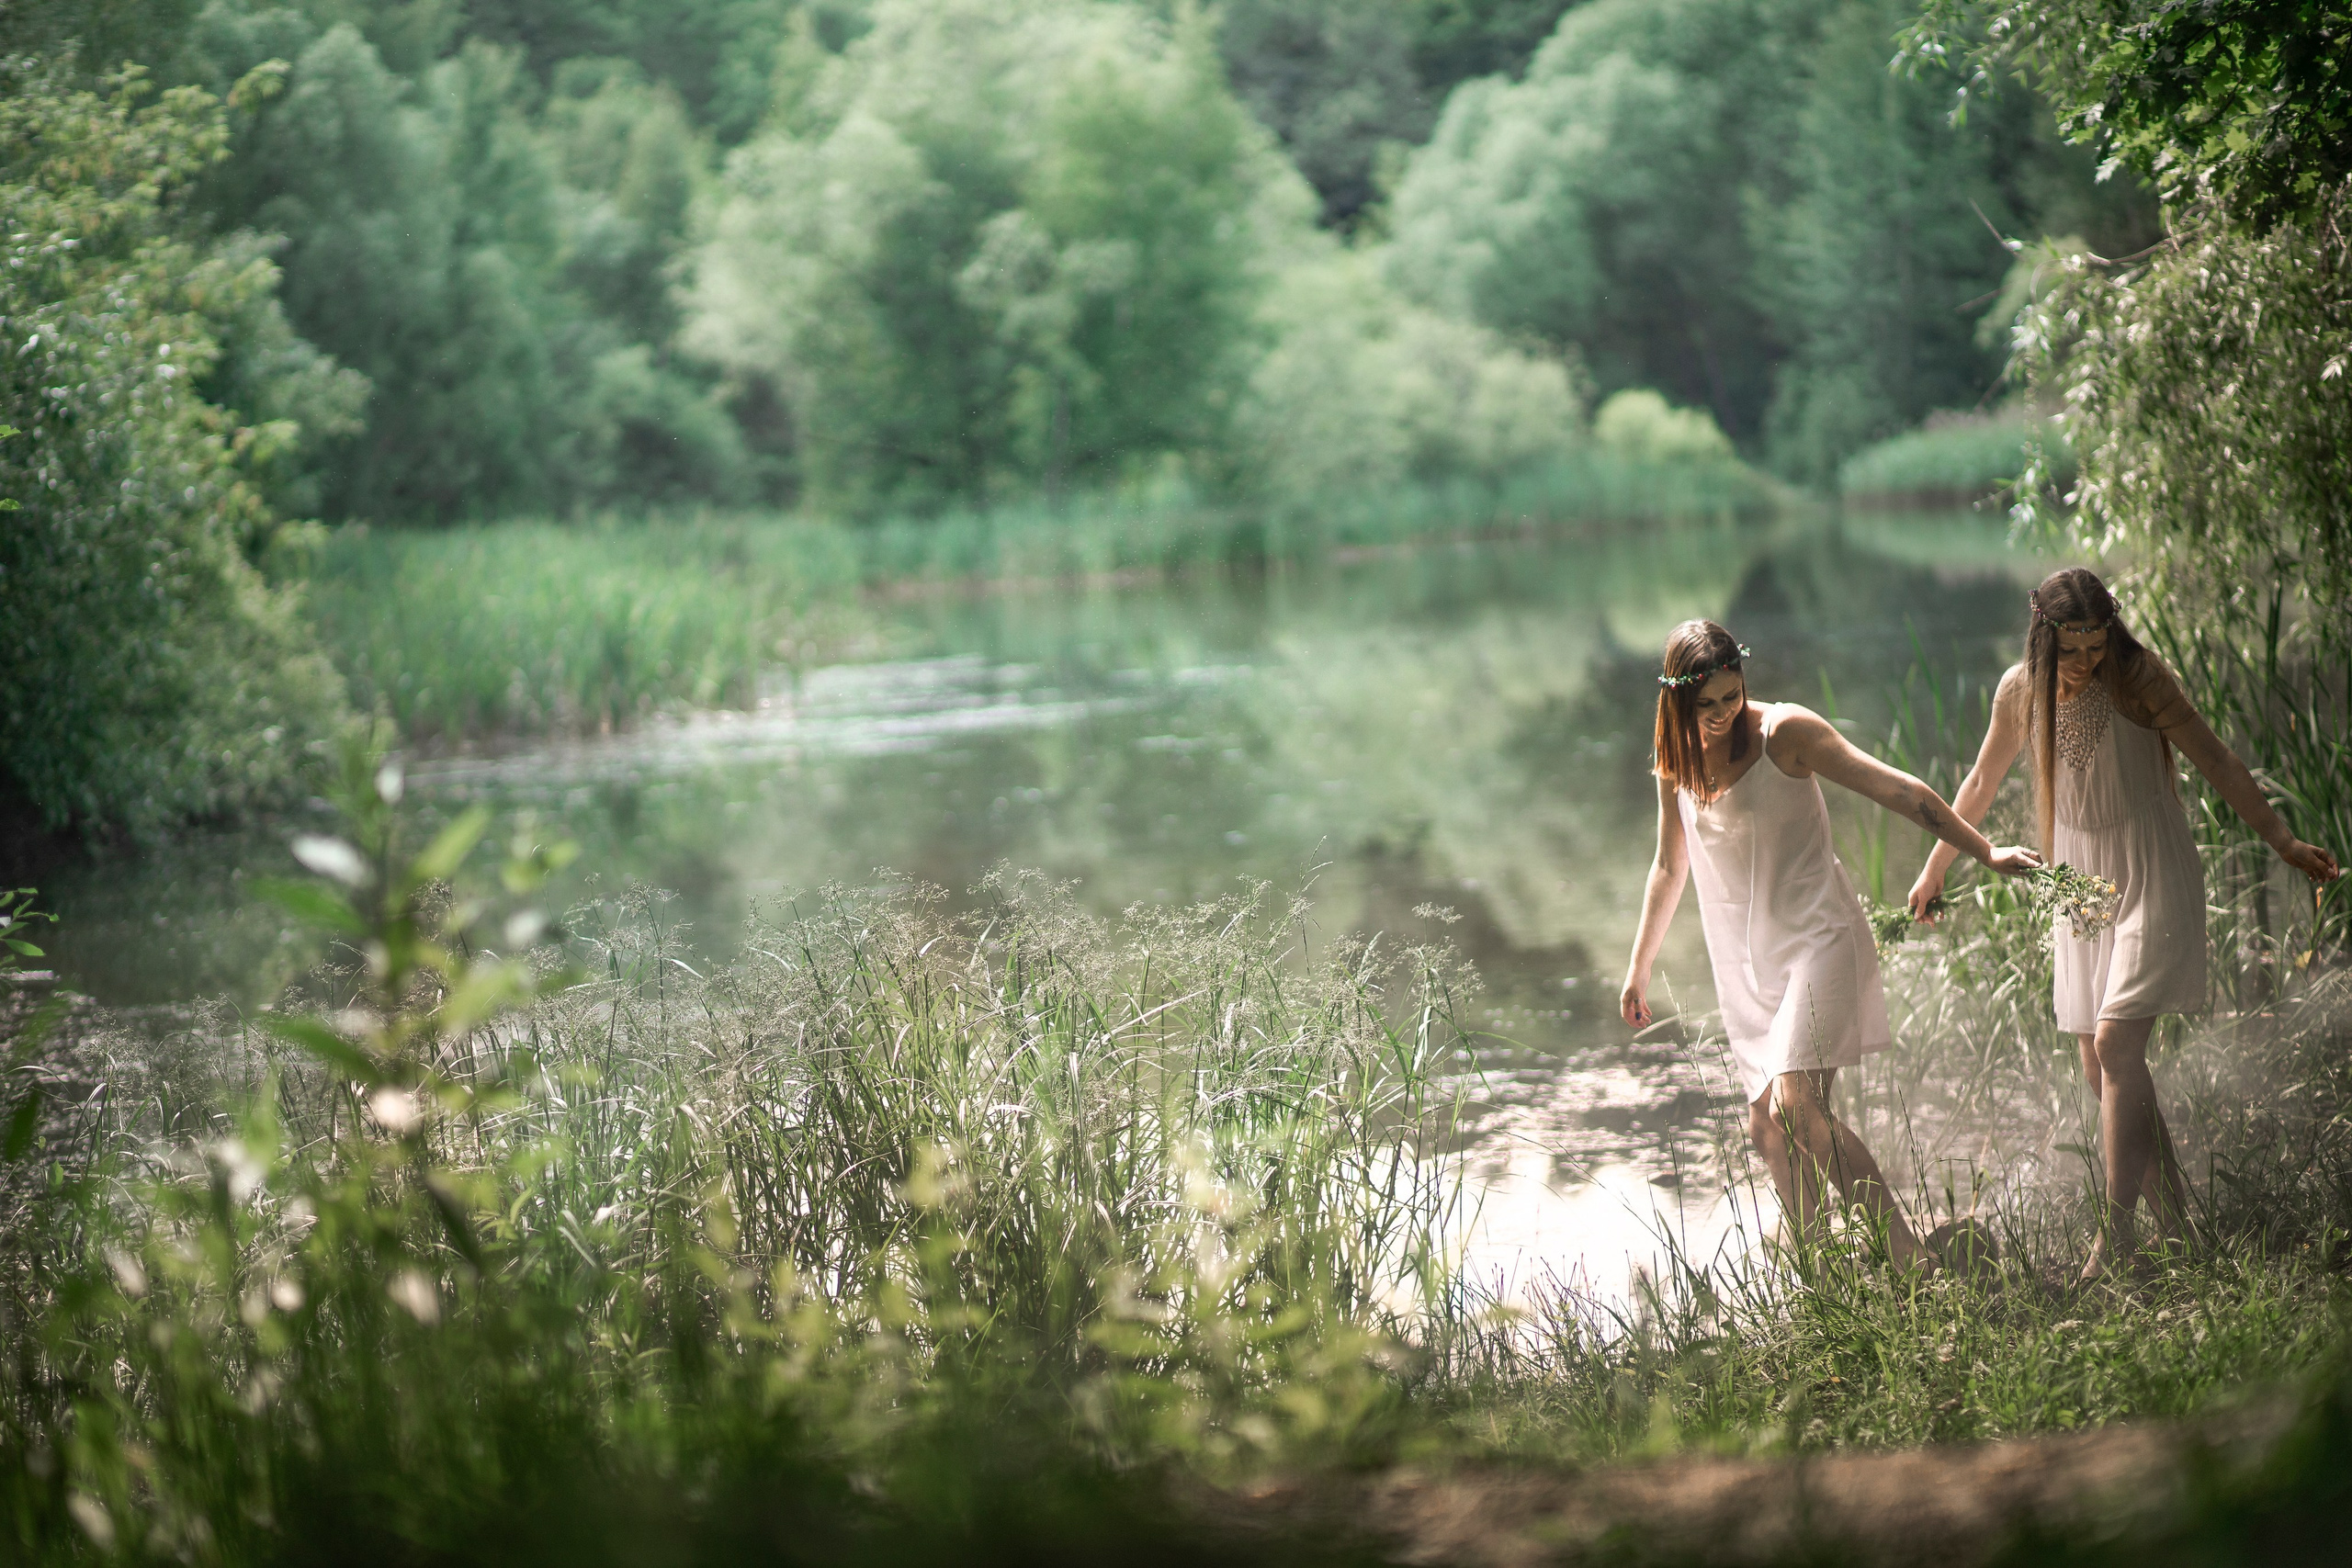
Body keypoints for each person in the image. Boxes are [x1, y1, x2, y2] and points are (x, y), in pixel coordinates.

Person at [1907, 568, 2340, 1279]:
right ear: (2044, 639)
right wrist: (1934, 871)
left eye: (2095, 646)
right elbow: (1979, 783)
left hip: (2150, 863)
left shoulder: (2138, 675)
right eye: (2071, 650)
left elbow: (2217, 758)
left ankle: (2116, 1239)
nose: (2085, 663)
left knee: (2113, 1043)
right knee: (2101, 1064)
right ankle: (2178, 1226)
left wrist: (2282, 840)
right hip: (2079, 880)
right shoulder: (2021, 690)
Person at [1621, 620, 2041, 1271]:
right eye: (1705, 704)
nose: (1721, 713)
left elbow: (1897, 788)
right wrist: (1639, 968)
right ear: (1676, 700)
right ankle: (1821, 1284)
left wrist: (1982, 851)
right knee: (1767, 1130)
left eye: (1732, 696)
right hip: (1749, 965)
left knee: (1802, 1110)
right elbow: (1668, 866)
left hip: (1821, 940)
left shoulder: (1783, 733)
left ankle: (1913, 1267)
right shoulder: (1674, 758)